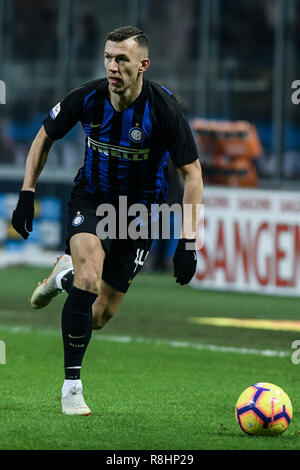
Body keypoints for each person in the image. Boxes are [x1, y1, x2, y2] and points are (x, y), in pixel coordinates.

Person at [11, 26, 203, 416]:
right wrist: (27, 192)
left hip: (141, 215)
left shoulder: (163, 110)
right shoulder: (88, 98)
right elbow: (43, 137)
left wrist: (187, 242)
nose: (112, 67)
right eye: (108, 58)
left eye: (122, 60)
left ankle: (60, 277)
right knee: (88, 279)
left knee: (99, 314)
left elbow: (193, 174)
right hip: (93, 199)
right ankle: (71, 389)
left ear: (143, 65)